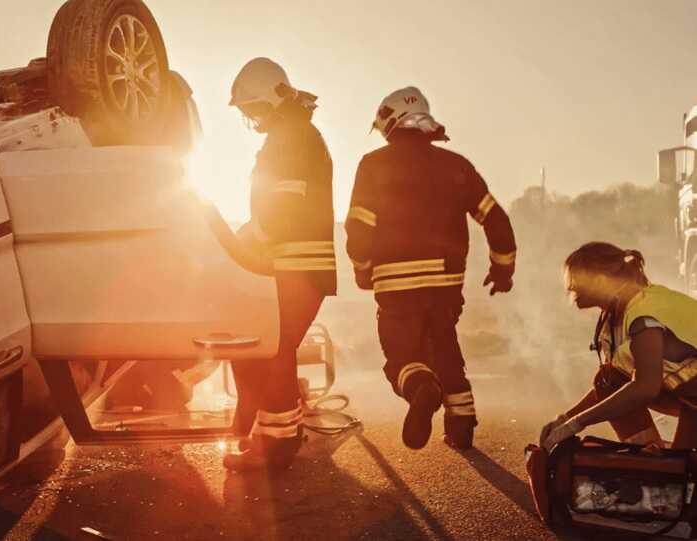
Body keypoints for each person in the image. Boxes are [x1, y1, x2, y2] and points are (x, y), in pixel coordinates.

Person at [346, 87, 516, 450]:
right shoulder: (456, 166)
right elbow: (496, 220)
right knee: (444, 345)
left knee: (401, 356)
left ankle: (421, 389)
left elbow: (358, 227)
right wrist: (503, 270)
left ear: (389, 123)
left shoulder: (372, 165)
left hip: (394, 282)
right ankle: (461, 423)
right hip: (445, 281)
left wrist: (363, 269)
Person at [223, 57, 337, 471]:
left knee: (271, 347)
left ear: (273, 98)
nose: (252, 118)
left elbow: (283, 206)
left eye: (253, 108)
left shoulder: (290, 136)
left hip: (297, 263)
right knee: (269, 345)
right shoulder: (297, 132)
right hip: (300, 262)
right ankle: (270, 428)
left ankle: (276, 446)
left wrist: (250, 239)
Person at [540, 242, 697, 450]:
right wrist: (566, 419)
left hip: (692, 402)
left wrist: (577, 423)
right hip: (691, 399)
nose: (571, 286)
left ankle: (663, 467)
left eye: (577, 277)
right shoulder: (617, 312)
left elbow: (644, 388)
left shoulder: (644, 313)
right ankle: (648, 455)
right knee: (608, 380)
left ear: (601, 280)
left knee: (681, 473)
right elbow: (612, 383)